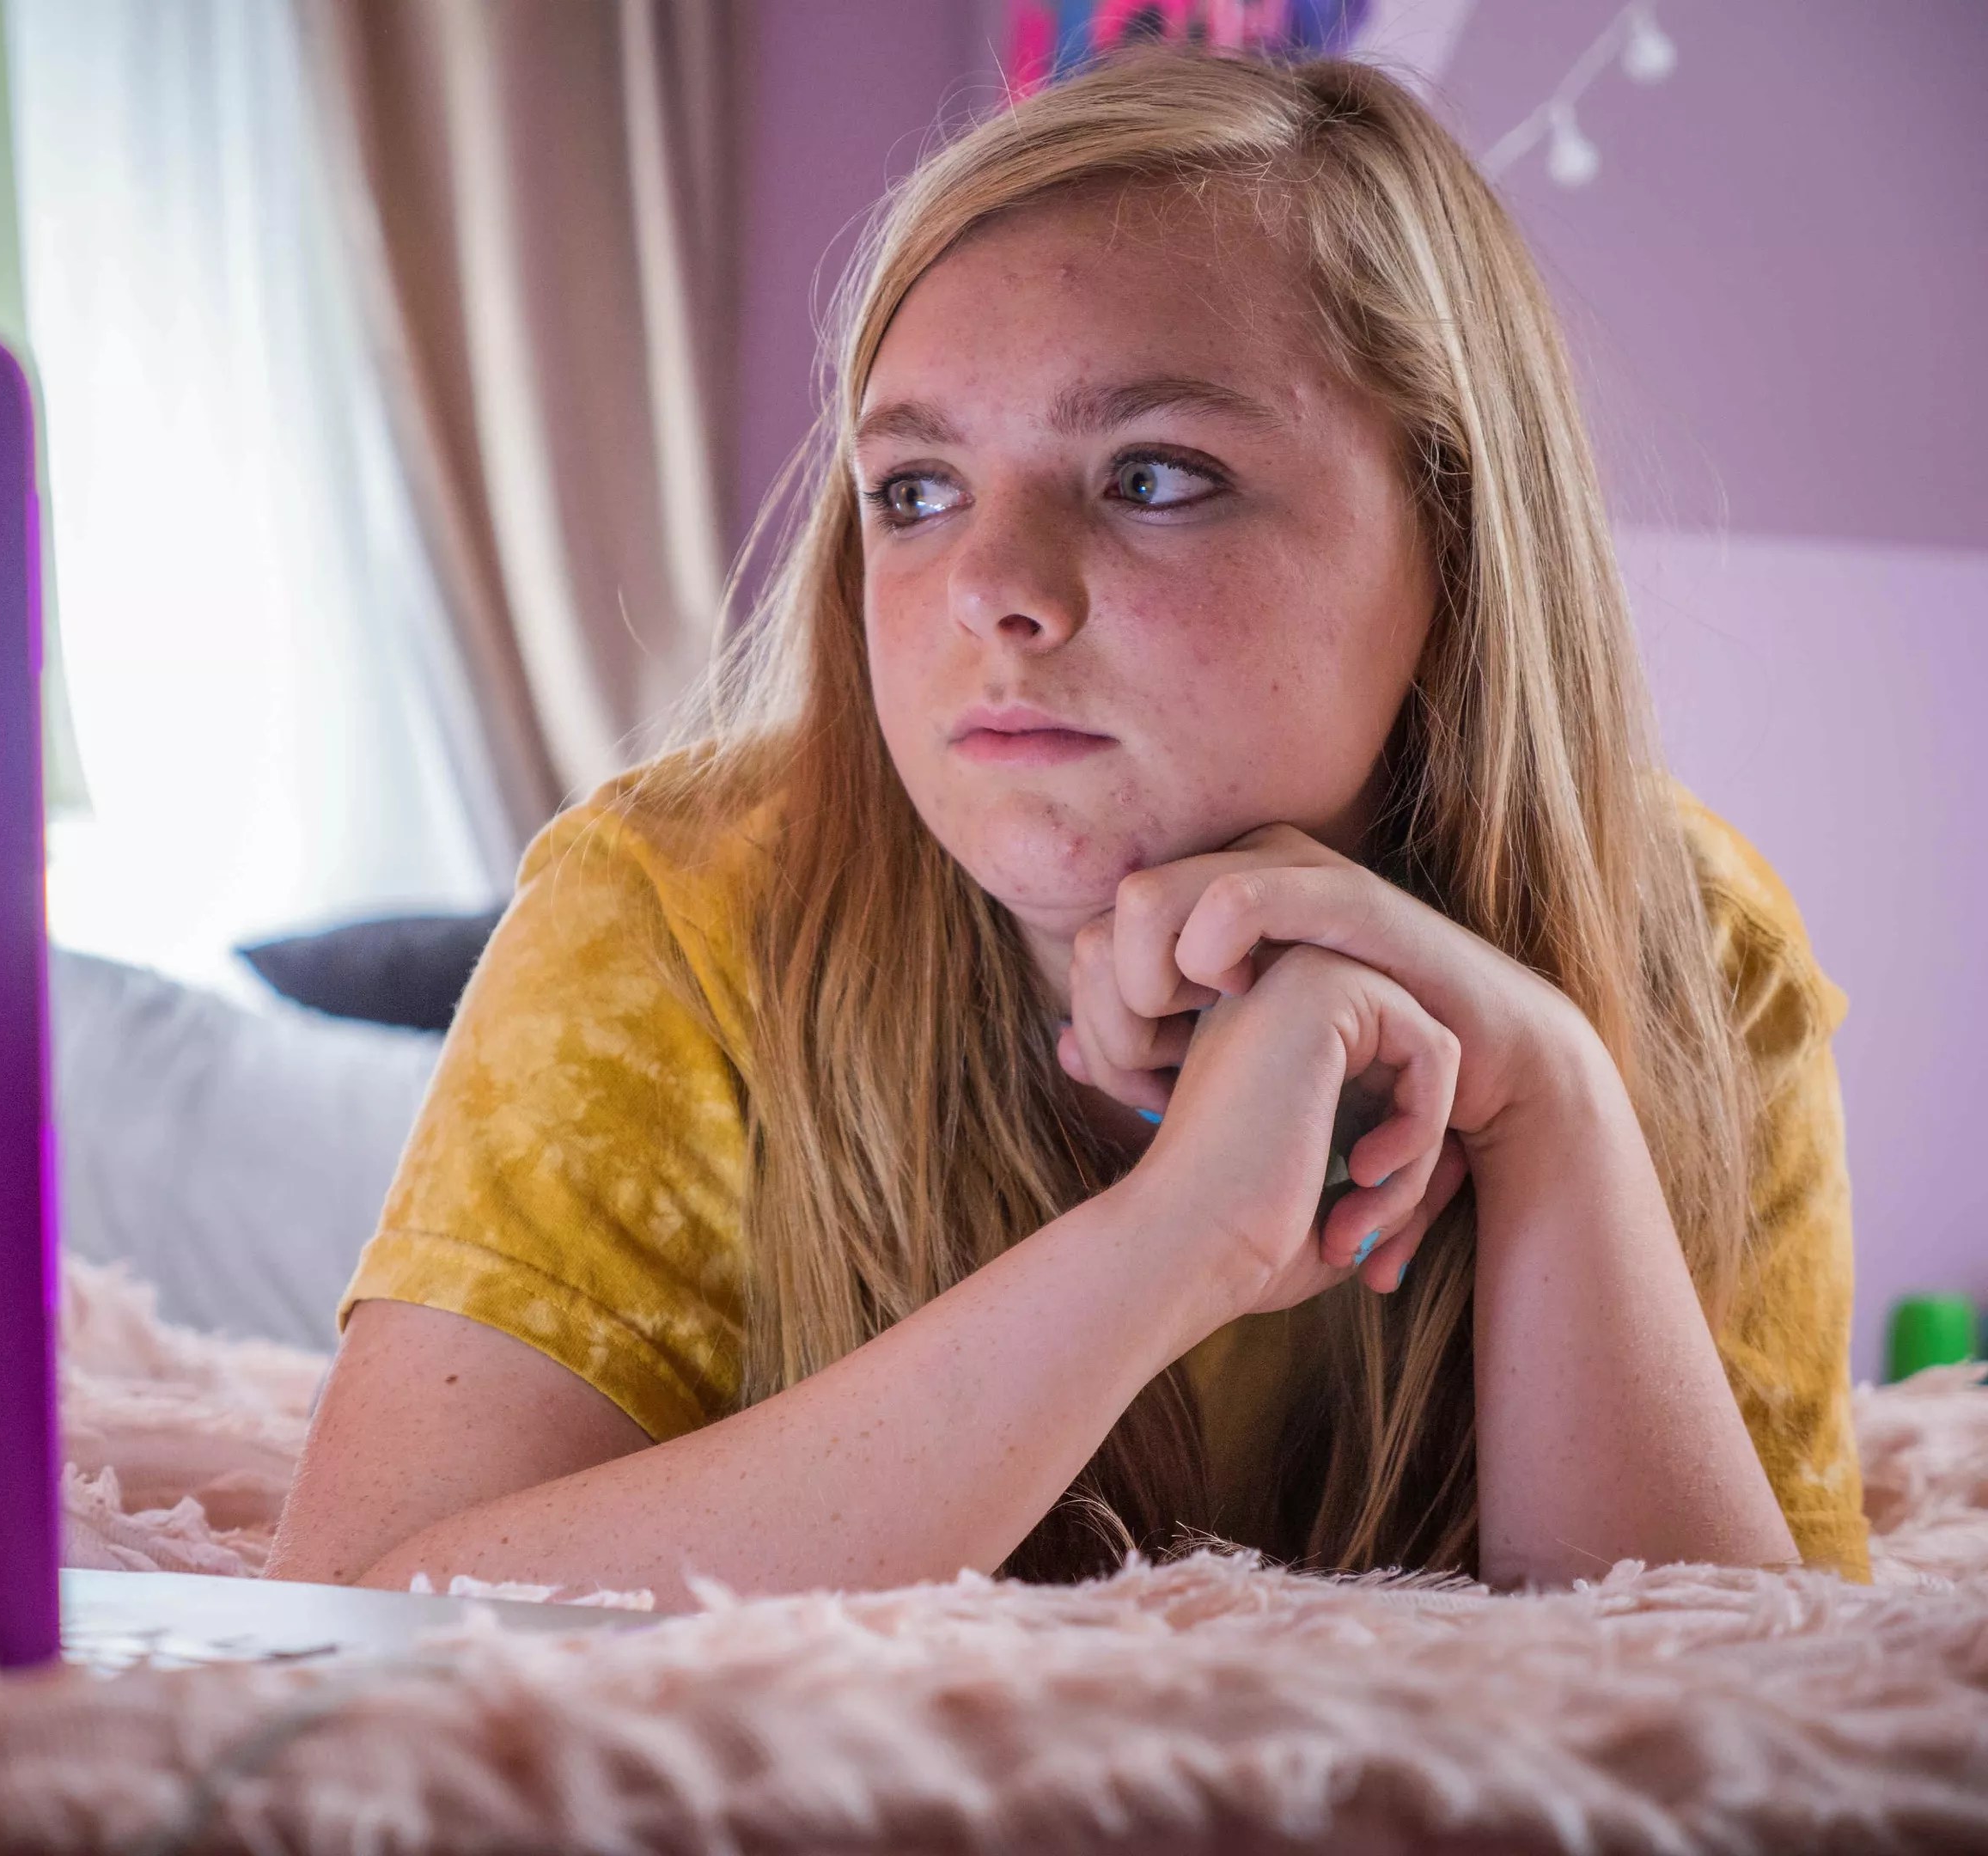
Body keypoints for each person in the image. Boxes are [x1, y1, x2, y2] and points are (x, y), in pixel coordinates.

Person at [265, 49, 1866, 1602]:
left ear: (1450, 535)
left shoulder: (1695, 955)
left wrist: (1557, 1107)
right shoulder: (672, 910)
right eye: (915, 490)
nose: (990, 591)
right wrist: (1172, 1242)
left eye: (1153, 476)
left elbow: (1735, 1714)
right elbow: (360, 1616)